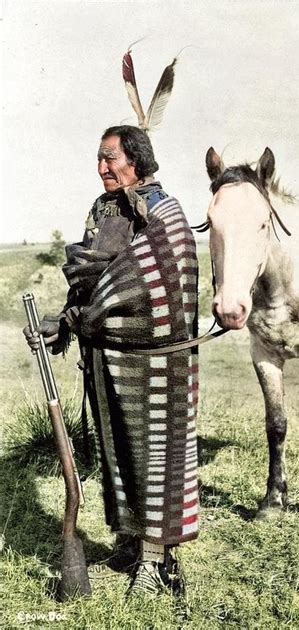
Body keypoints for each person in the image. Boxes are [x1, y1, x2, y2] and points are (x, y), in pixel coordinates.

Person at [24, 125, 199, 595]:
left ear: (136, 159)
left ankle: (157, 563)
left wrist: (96, 308)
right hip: (105, 358)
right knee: (116, 454)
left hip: (157, 363)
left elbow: (155, 281)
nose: (102, 168)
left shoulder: (166, 213)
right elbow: (87, 283)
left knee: (155, 459)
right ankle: (128, 543)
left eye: (110, 158)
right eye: (99, 159)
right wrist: (64, 323)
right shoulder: (101, 211)